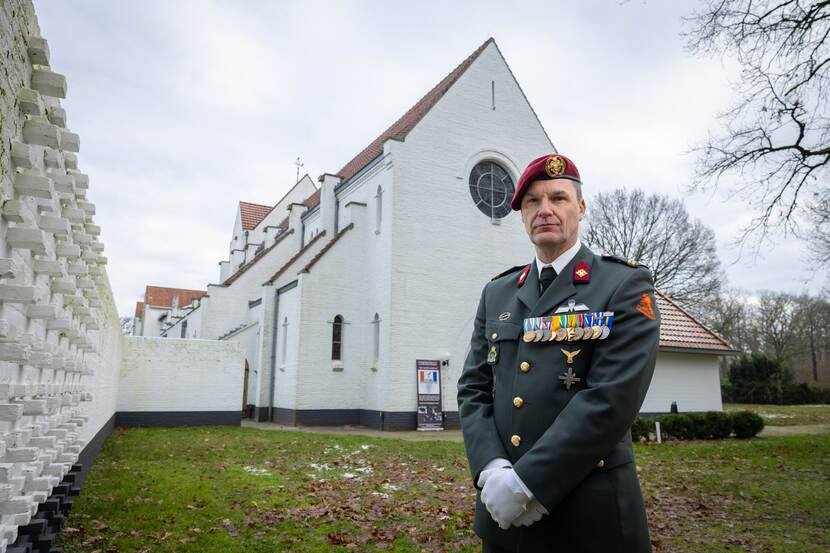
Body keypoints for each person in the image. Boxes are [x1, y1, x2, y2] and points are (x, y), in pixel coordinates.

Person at [457, 154, 660, 552]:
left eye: (558, 198)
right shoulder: (498, 292)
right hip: (504, 516)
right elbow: (473, 387)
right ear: (522, 215)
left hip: (590, 515)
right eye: (532, 201)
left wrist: (527, 483)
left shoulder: (623, 284)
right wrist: (492, 469)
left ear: (580, 208)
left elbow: (611, 398)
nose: (544, 210)